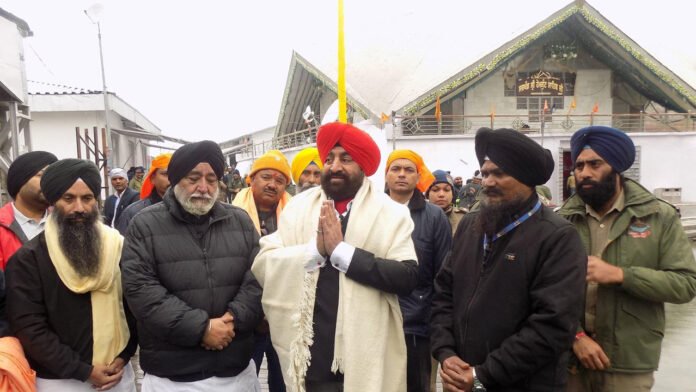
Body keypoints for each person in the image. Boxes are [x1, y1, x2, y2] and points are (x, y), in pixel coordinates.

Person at [252, 122, 419, 392]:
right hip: (309, 355)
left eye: (346, 158)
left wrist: (343, 253)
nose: (335, 166)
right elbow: (264, 261)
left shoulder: (391, 213)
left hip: (366, 352)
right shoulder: (298, 209)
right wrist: (314, 251)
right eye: (329, 158)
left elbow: (407, 276)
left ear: (363, 166)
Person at [431, 128, 586, 391]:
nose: (488, 182)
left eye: (499, 173)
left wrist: (482, 375)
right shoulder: (470, 226)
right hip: (461, 377)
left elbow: (552, 326)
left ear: (526, 179)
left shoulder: (558, 237)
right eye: (485, 173)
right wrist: (446, 353)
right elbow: (444, 293)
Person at [559, 126, 696, 392]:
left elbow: (686, 284)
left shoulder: (659, 216)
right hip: (569, 360)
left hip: (628, 362)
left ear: (617, 168)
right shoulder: (562, 220)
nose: (584, 173)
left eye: (595, 164)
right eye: (579, 165)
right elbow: (544, 289)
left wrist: (621, 275)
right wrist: (574, 336)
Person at [120, 141, 263, 391]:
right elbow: (141, 291)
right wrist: (202, 328)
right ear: (176, 180)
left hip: (236, 370)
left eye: (211, 179)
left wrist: (232, 319)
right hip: (173, 377)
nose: (203, 188)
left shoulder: (239, 221)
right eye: (193, 178)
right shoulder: (144, 225)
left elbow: (258, 279)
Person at [6, 159, 138, 391]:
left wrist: (125, 355)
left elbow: (134, 305)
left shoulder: (119, 247)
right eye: (68, 198)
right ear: (52, 202)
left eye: (87, 198)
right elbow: (29, 327)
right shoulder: (29, 258)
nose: (79, 208)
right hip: (60, 381)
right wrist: (83, 371)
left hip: (117, 375)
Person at [385, 150, 451, 392]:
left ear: (418, 176)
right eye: (396, 169)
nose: (401, 174)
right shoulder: (369, 211)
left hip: (416, 327)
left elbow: (443, 275)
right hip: (375, 320)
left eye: (409, 169)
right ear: (386, 174)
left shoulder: (434, 217)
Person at [233, 149, 292, 392]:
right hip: (246, 320)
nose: (272, 185)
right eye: (266, 177)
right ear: (251, 179)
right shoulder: (231, 216)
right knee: (244, 383)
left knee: (284, 384)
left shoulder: (294, 216)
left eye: (280, 181)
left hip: (285, 319)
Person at [0, 151, 57, 270]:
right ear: (20, 181)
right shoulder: (3, 226)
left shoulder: (63, 223)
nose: (50, 182)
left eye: (52, 177)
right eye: (41, 175)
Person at [115, 153, 172, 235]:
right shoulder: (134, 213)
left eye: (176, 173)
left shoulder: (189, 210)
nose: (171, 179)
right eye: (165, 174)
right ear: (152, 178)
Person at [426, 170, 466, 236]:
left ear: (453, 194)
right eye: (435, 190)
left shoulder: (463, 218)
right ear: (428, 194)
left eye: (447, 190)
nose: (441, 194)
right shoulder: (416, 217)